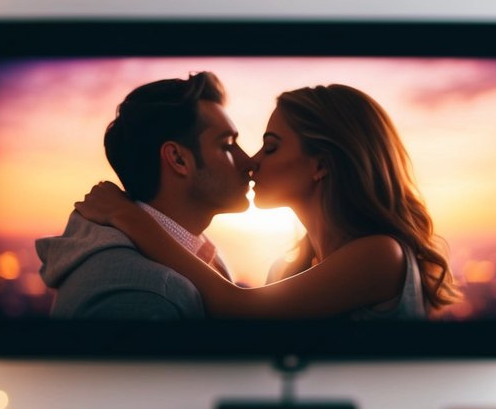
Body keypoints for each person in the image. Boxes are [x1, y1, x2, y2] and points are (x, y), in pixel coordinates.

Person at [74, 83, 458, 319]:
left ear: (320, 164)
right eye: (231, 146)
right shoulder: (289, 269)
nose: (252, 161)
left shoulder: (380, 256)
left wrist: (131, 217)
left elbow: (239, 308)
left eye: (270, 147)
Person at [36, 71, 251, 319]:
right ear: (178, 159)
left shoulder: (199, 257)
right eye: (226, 146)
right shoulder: (141, 296)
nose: (248, 162)